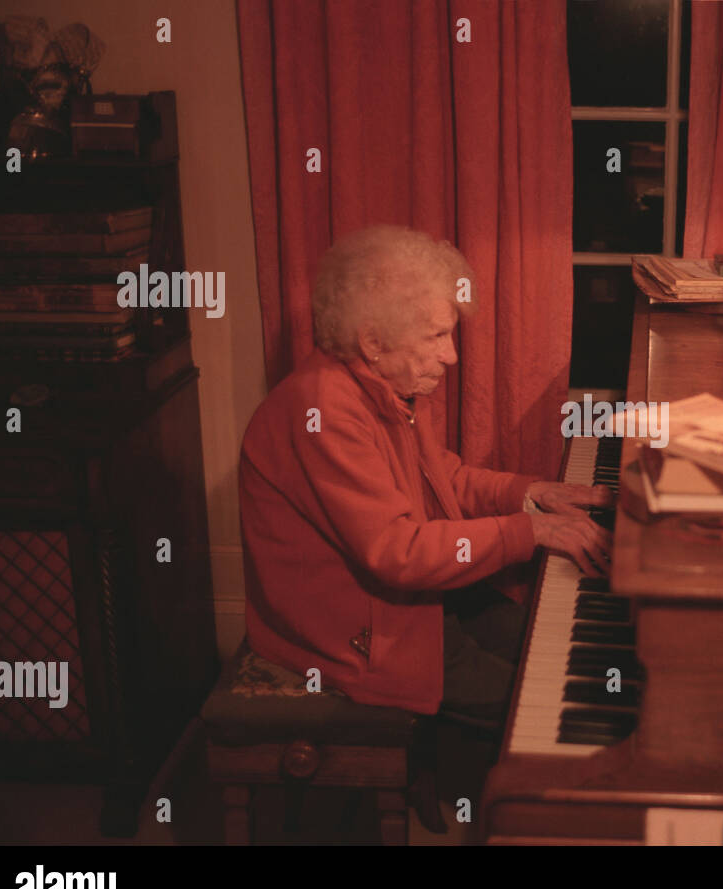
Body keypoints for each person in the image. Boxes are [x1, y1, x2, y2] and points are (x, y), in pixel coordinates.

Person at [238, 225, 612, 726]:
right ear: (372, 341)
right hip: (363, 632)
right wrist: (533, 531)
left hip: (417, 603)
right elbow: (397, 552)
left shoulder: (382, 381)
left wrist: (528, 496)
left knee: (564, 644)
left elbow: (441, 479)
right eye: (437, 336)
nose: (452, 356)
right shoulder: (324, 409)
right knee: (550, 708)